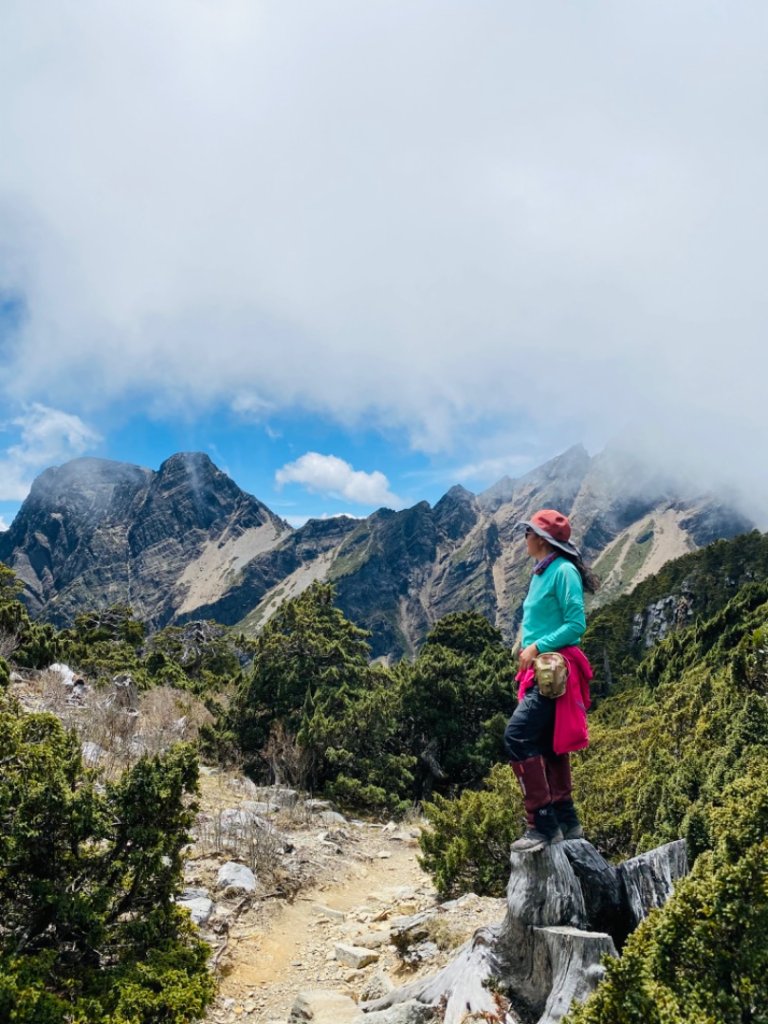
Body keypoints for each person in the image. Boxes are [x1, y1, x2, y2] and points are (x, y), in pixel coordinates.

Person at [503, 509, 599, 852]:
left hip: (553, 670)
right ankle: (566, 820)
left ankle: (541, 823)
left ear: (542, 539)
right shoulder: (542, 572)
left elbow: (576, 625)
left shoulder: (562, 572)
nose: (524, 539)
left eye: (528, 533)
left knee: (517, 736)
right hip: (542, 670)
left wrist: (537, 647)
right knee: (547, 743)